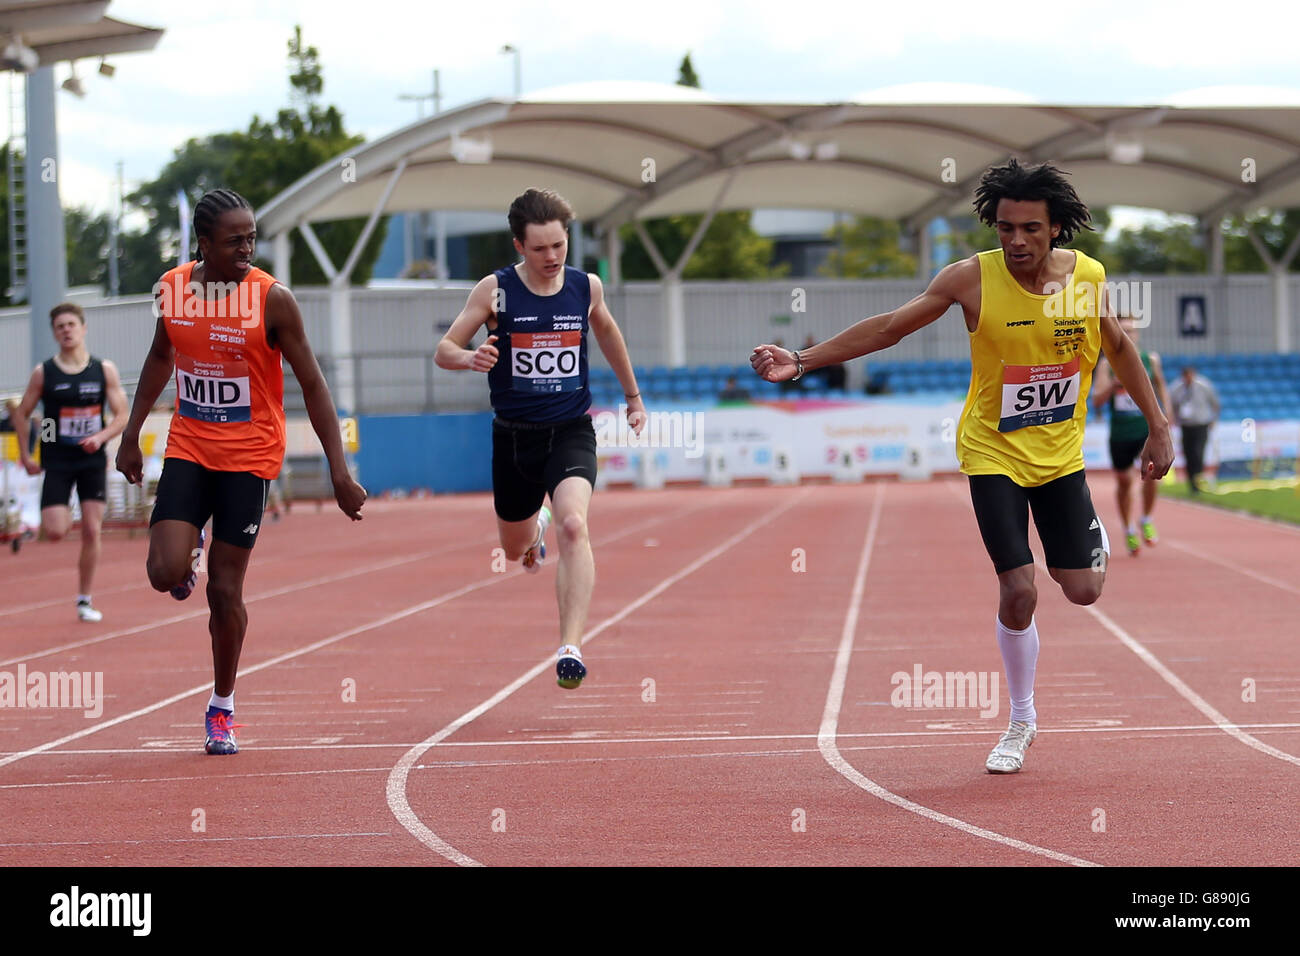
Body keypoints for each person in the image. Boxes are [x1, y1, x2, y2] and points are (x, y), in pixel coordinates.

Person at [751, 159, 1174, 774]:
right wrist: (802, 358)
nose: (1017, 241)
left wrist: (1158, 424)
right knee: (1019, 588)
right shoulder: (970, 279)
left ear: (1057, 229)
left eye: (1030, 228)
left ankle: (1090, 542)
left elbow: (1117, 345)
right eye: (1005, 228)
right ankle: (1021, 720)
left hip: (1059, 458)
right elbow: (891, 328)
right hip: (991, 451)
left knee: (1083, 591)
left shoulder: (1087, 277)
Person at [115, 188, 367, 755]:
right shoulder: (172, 289)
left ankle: (222, 706)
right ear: (203, 244)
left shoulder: (272, 300)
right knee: (162, 572)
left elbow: (313, 384)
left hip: (249, 456)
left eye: (252, 237)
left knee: (225, 592)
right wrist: (132, 433)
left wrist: (338, 471)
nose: (247, 249)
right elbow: (161, 357)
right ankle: (187, 555)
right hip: (189, 444)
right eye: (234, 241)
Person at [436, 187, 644, 690]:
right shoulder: (496, 291)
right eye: (540, 249)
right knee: (514, 550)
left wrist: (633, 397)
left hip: (571, 431)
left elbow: (609, 334)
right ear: (518, 246)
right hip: (513, 440)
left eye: (559, 246)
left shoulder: (585, 287)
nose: (552, 258)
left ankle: (570, 646)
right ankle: (536, 527)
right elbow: (445, 347)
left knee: (577, 526)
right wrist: (468, 358)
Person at [13, 303, 128, 622]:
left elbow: (122, 414)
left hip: (91, 458)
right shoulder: (44, 372)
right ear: (54, 333)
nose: (66, 330)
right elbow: (22, 413)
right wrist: (26, 454)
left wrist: (101, 437)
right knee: (55, 531)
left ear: (83, 328)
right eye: (60, 326)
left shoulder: (103, 369)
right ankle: (66, 507)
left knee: (92, 530)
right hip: (57, 458)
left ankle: (84, 599)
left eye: (71, 324)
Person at [1091, 315, 1171, 554]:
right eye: (1123, 330)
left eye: (1132, 331)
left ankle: (1146, 518)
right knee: (1125, 482)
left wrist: (1166, 415)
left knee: (1153, 474)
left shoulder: (1150, 359)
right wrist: (1115, 385)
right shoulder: (1106, 364)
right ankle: (1127, 528)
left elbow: (1161, 386)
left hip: (1144, 430)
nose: (1129, 335)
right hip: (1120, 433)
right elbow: (1096, 400)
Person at [1168, 364, 1220, 493]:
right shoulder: (1176, 388)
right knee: (1188, 454)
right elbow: (1171, 405)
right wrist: (1173, 419)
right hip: (1186, 426)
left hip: (1201, 425)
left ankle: (1198, 481)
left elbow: (1215, 403)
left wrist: (1213, 419)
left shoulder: (1204, 386)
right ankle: (1192, 483)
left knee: (1198, 453)